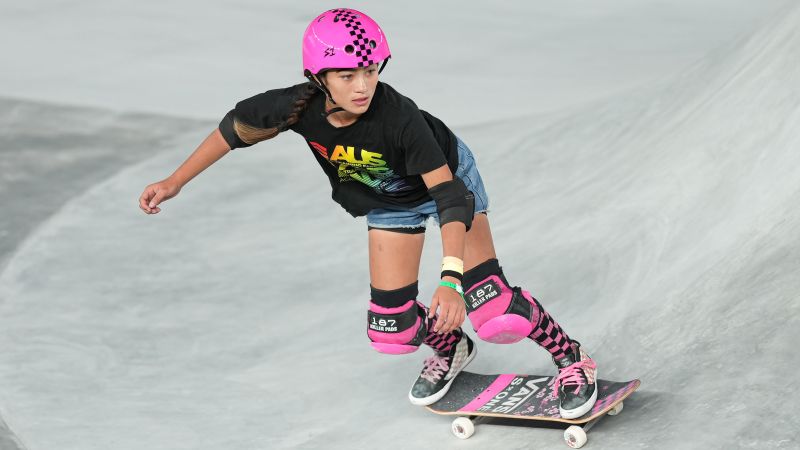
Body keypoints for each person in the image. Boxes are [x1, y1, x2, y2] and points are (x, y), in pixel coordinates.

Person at [138, 8, 598, 418]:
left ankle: (570, 357)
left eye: (370, 70)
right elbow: (231, 131)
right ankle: (452, 347)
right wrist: (175, 181)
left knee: (495, 311)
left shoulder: (399, 117)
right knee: (391, 328)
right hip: (389, 202)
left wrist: (450, 280)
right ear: (317, 77)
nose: (362, 86)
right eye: (346, 75)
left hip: (449, 183)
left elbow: (450, 196)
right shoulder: (294, 107)